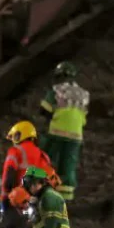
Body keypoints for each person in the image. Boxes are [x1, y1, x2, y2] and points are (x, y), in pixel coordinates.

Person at [1, 121, 58, 228]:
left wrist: (8, 194)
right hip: (38, 202)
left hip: (17, 199)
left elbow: (9, 175)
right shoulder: (42, 155)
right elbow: (52, 179)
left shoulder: (15, 152)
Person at [38, 62, 90, 202]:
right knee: (68, 166)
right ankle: (65, 198)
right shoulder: (84, 94)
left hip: (57, 132)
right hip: (76, 136)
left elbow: (45, 110)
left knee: (44, 159)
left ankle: (36, 188)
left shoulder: (57, 90)